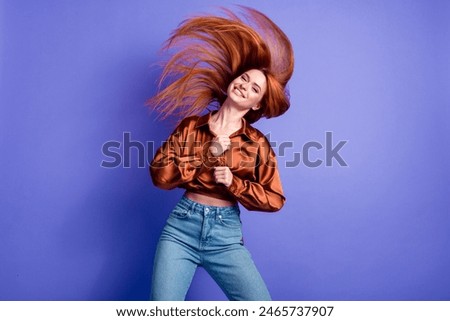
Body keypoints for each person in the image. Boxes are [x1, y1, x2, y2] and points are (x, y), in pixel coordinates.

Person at [147, 6, 294, 301]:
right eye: (244, 78)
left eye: (255, 89)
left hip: (224, 236)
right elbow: (159, 176)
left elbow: (275, 198)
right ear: (233, 79)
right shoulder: (191, 127)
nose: (244, 86)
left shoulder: (256, 144)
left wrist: (233, 183)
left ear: (256, 104)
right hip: (181, 229)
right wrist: (205, 155)